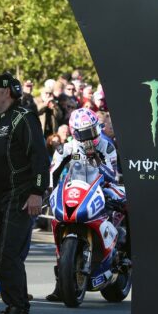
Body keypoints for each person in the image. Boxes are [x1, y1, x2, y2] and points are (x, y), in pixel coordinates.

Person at [0, 73, 49, 314]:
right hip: (3, 197)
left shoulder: (24, 118)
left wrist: (37, 192)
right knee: (3, 253)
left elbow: (40, 157)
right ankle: (12, 308)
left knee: (10, 254)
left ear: (6, 93)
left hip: (21, 196)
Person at [45, 108, 125, 302]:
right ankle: (61, 284)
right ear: (74, 133)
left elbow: (112, 175)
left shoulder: (107, 147)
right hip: (77, 189)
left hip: (102, 187)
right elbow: (53, 173)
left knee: (123, 199)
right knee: (58, 216)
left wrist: (94, 158)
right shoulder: (67, 148)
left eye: (93, 130)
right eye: (85, 132)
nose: (91, 136)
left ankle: (122, 247)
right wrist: (49, 190)